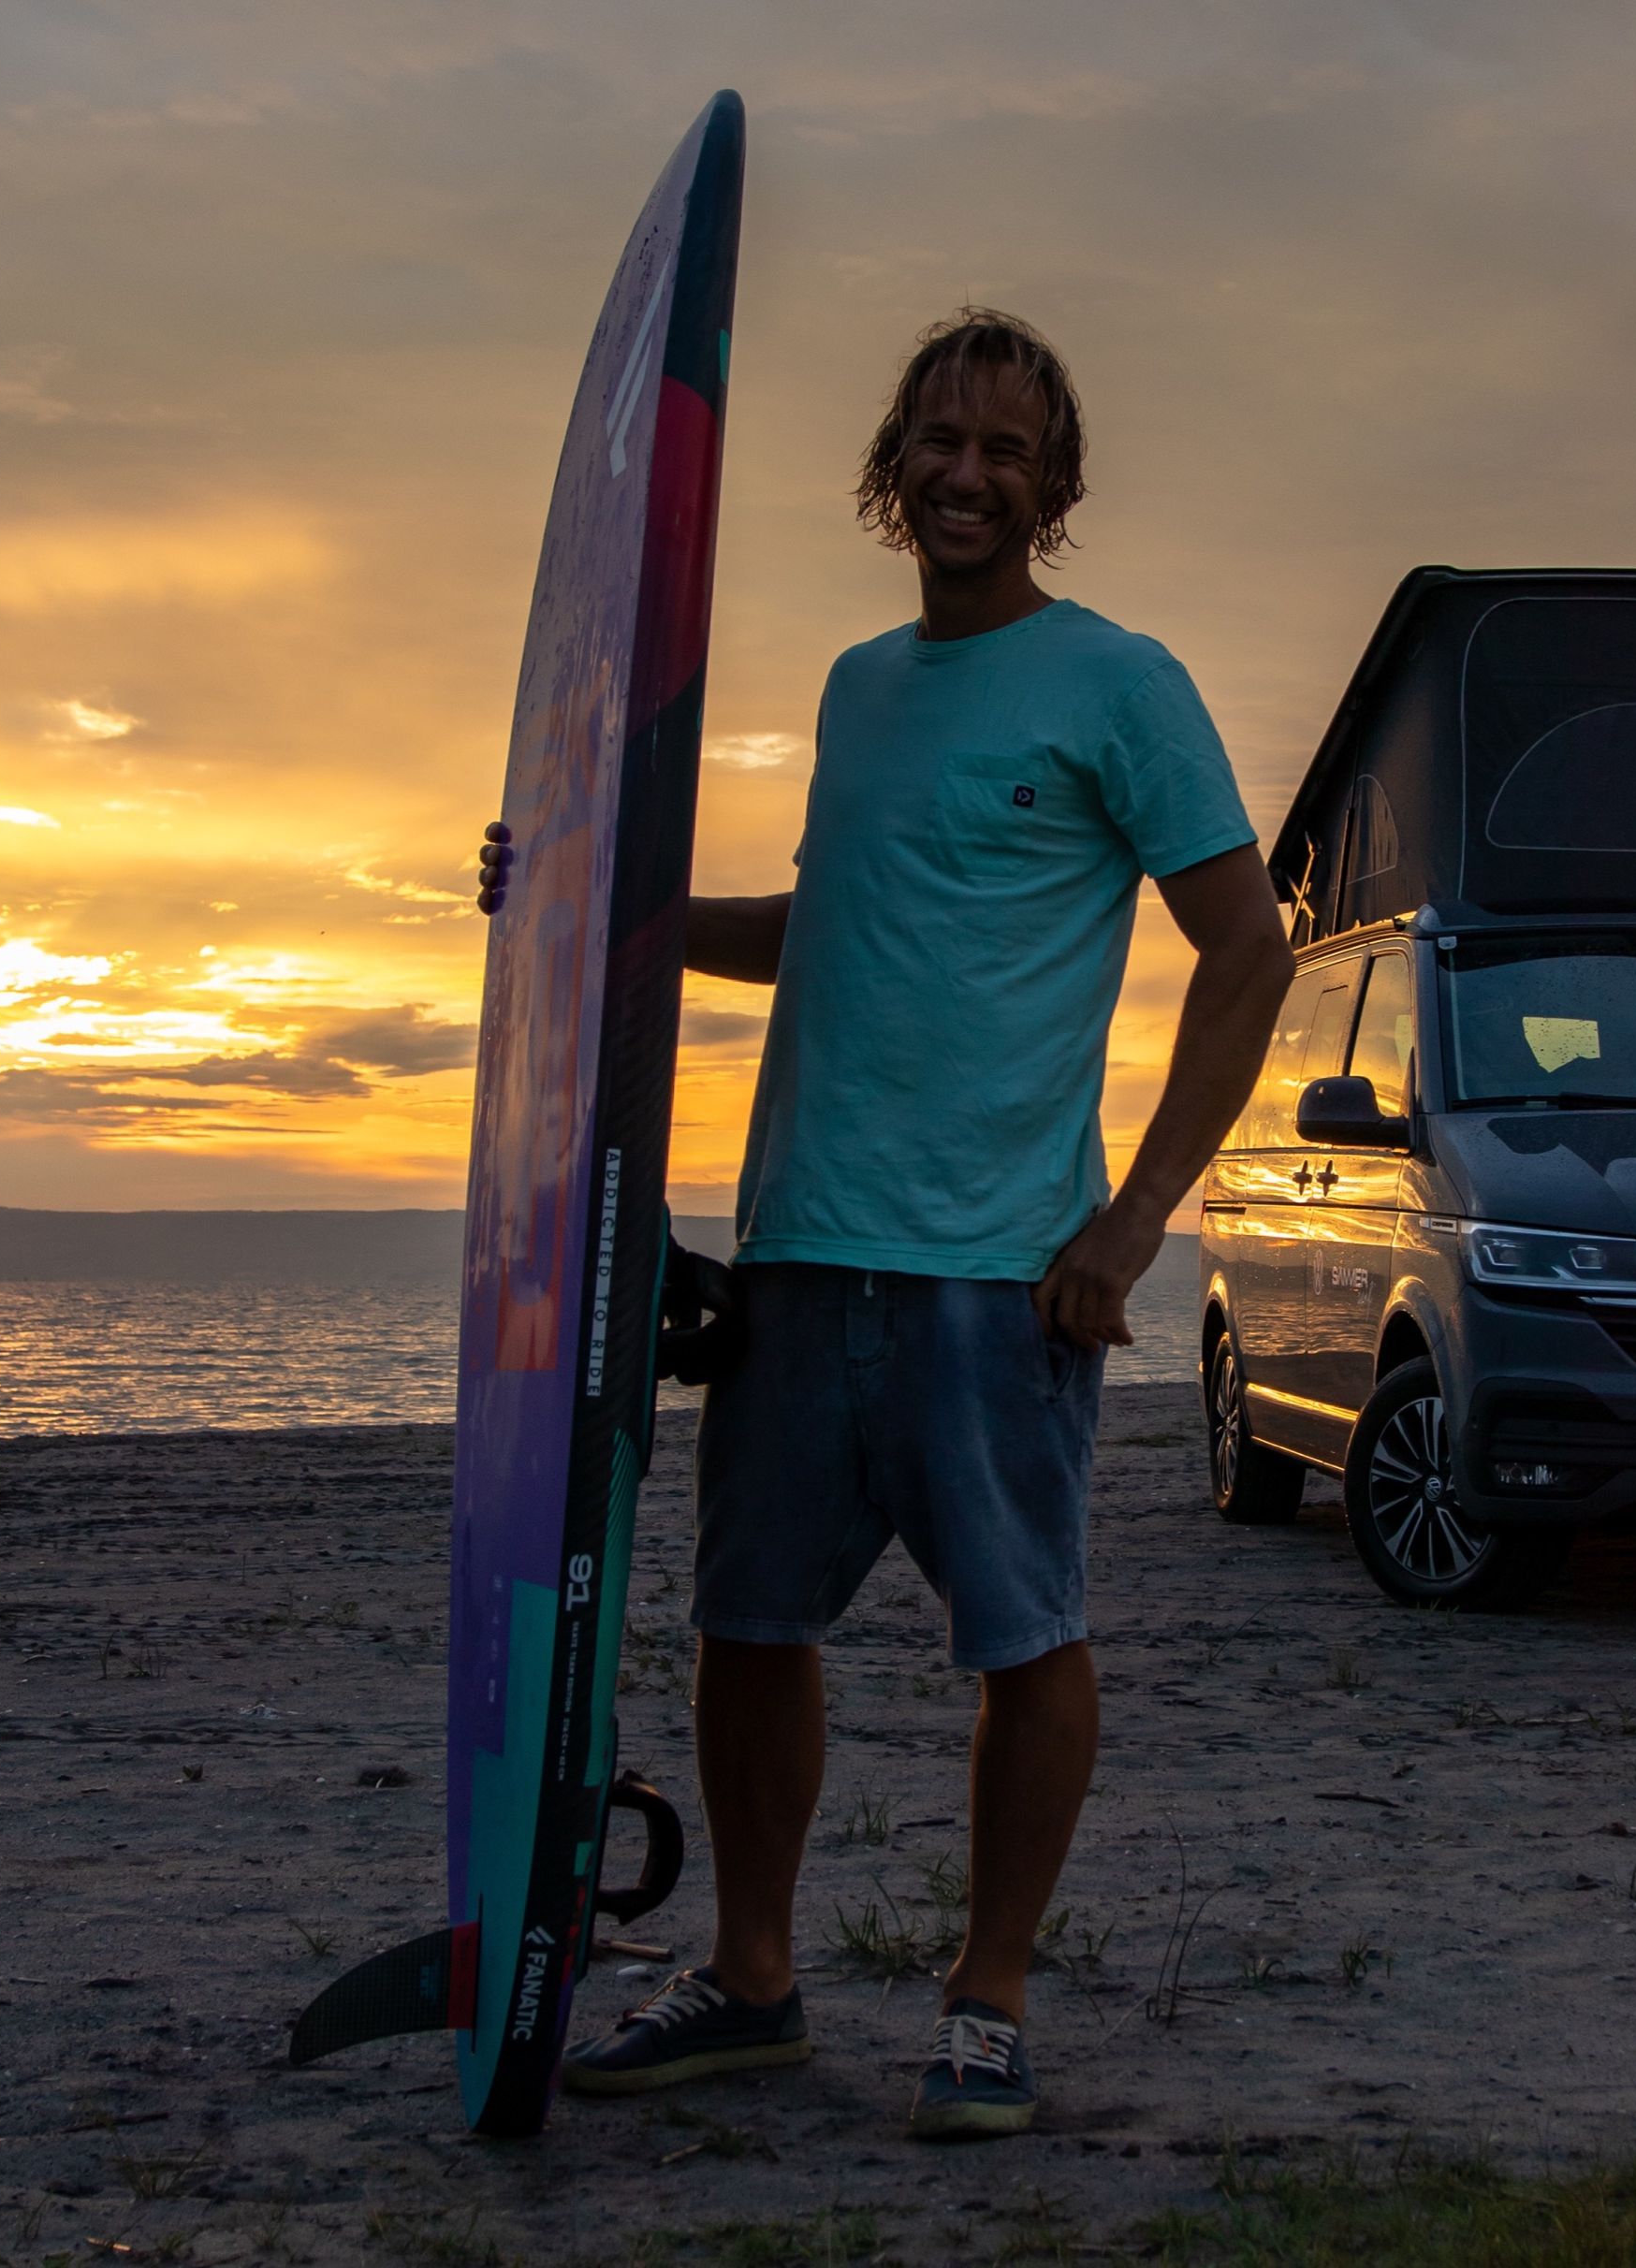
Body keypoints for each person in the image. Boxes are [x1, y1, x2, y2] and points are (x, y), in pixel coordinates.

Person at [548, 308, 1291, 2139]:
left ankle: (987, 1996)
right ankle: (751, 1977)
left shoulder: (1118, 684)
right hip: (804, 1248)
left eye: (1005, 450)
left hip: (995, 1274)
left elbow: (1248, 951)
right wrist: (602, 906)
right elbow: (834, 927)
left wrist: (1126, 1231)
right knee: (747, 1625)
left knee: (1023, 1638)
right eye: (939, 441)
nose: (967, 473)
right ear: (891, 466)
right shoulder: (858, 688)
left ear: (1053, 488)